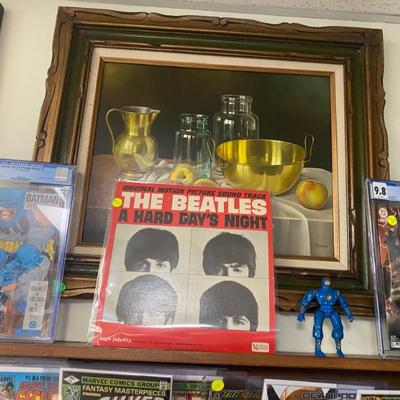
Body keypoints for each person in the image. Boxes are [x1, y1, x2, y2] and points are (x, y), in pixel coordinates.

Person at [297, 276, 353, 358]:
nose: (327, 283)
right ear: (323, 282)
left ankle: (339, 350)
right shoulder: (316, 292)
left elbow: (344, 304)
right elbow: (305, 301)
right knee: (317, 326)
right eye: (326, 282)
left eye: (328, 281)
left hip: (332, 310)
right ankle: (317, 349)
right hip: (321, 310)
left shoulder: (335, 292)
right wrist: (301, 313)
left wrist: (349, 314)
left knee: (338, 326)